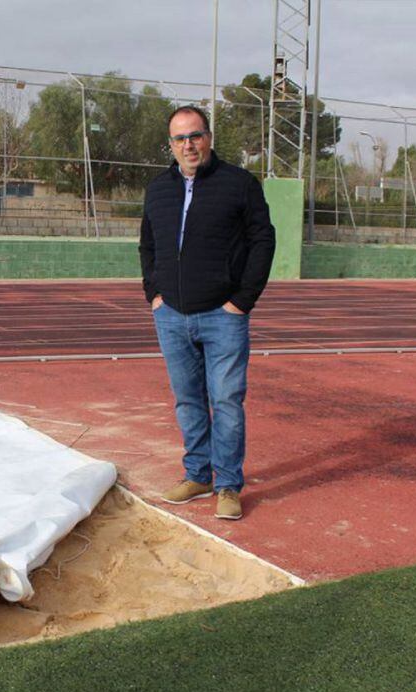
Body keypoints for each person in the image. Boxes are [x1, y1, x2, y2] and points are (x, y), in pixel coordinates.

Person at [138, 105, 276, 520]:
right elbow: (147, 245)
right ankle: (197, 475)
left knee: (227, 401)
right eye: (180, 138)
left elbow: (263, 241)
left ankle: (228, 485)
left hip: (223, 315)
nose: (188, 145)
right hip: (171, 315)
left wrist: (242, 301)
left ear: (209, 138)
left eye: (195, 135)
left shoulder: (240, 184)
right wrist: (154, 294)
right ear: (170, 144)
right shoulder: (157, 189)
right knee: (187, 400)